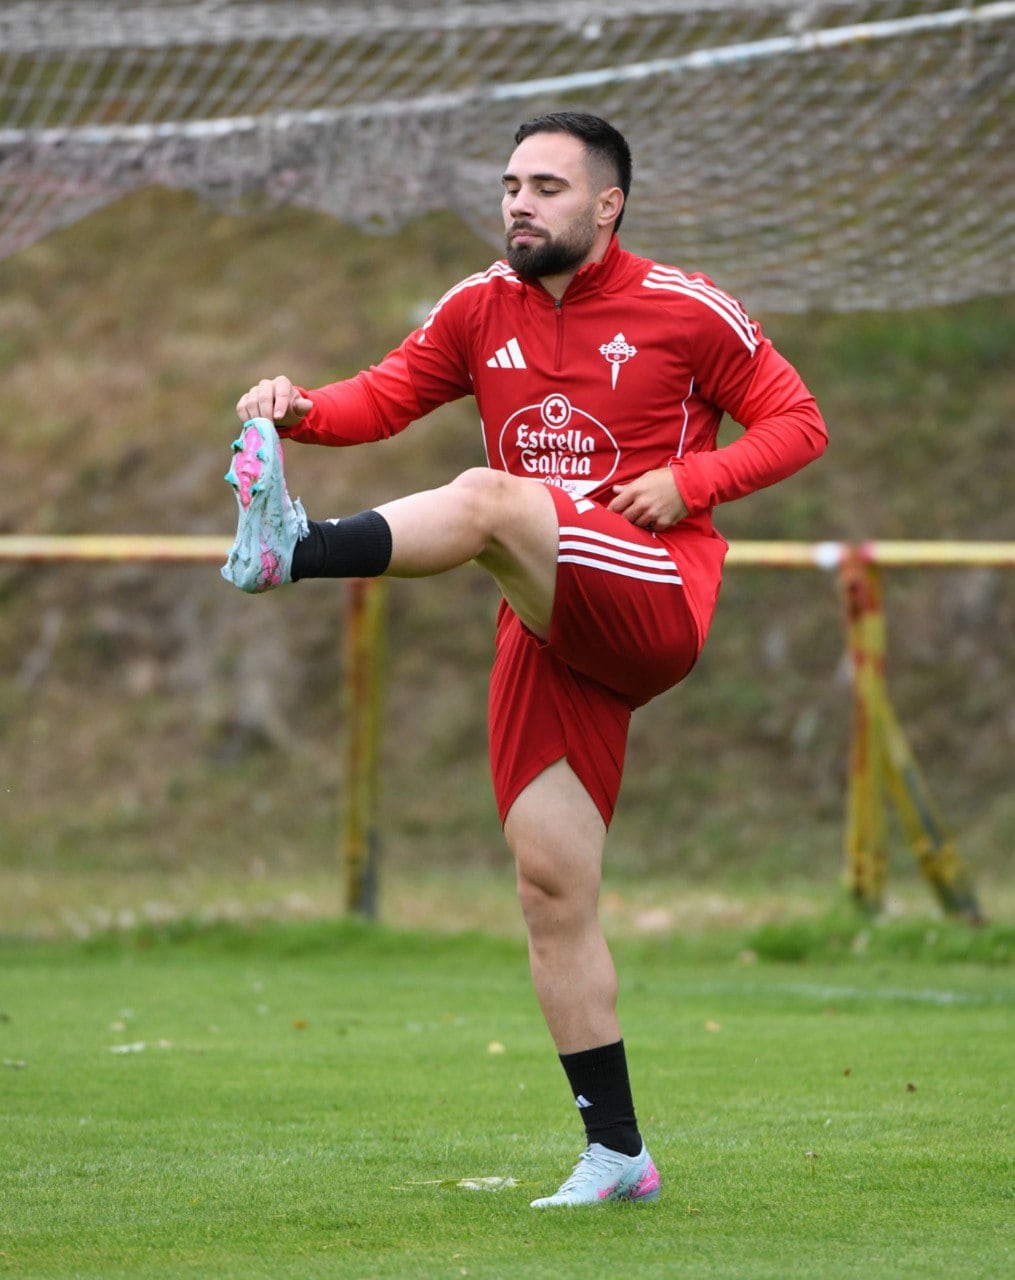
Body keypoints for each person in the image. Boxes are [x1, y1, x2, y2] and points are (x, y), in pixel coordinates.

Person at [223, 111, 827, 1207]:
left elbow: (797, 421)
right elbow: (383, 397)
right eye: (509, 182)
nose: (519, 202)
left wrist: (694, 484)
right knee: (551, 886)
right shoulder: (474, 307)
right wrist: (298, 408)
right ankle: (616, 1152)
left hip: (651, 591)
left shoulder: (685, 309)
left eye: (547, 186)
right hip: (550, 619)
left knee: (491, 499)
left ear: (607, 205)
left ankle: (295, 548)